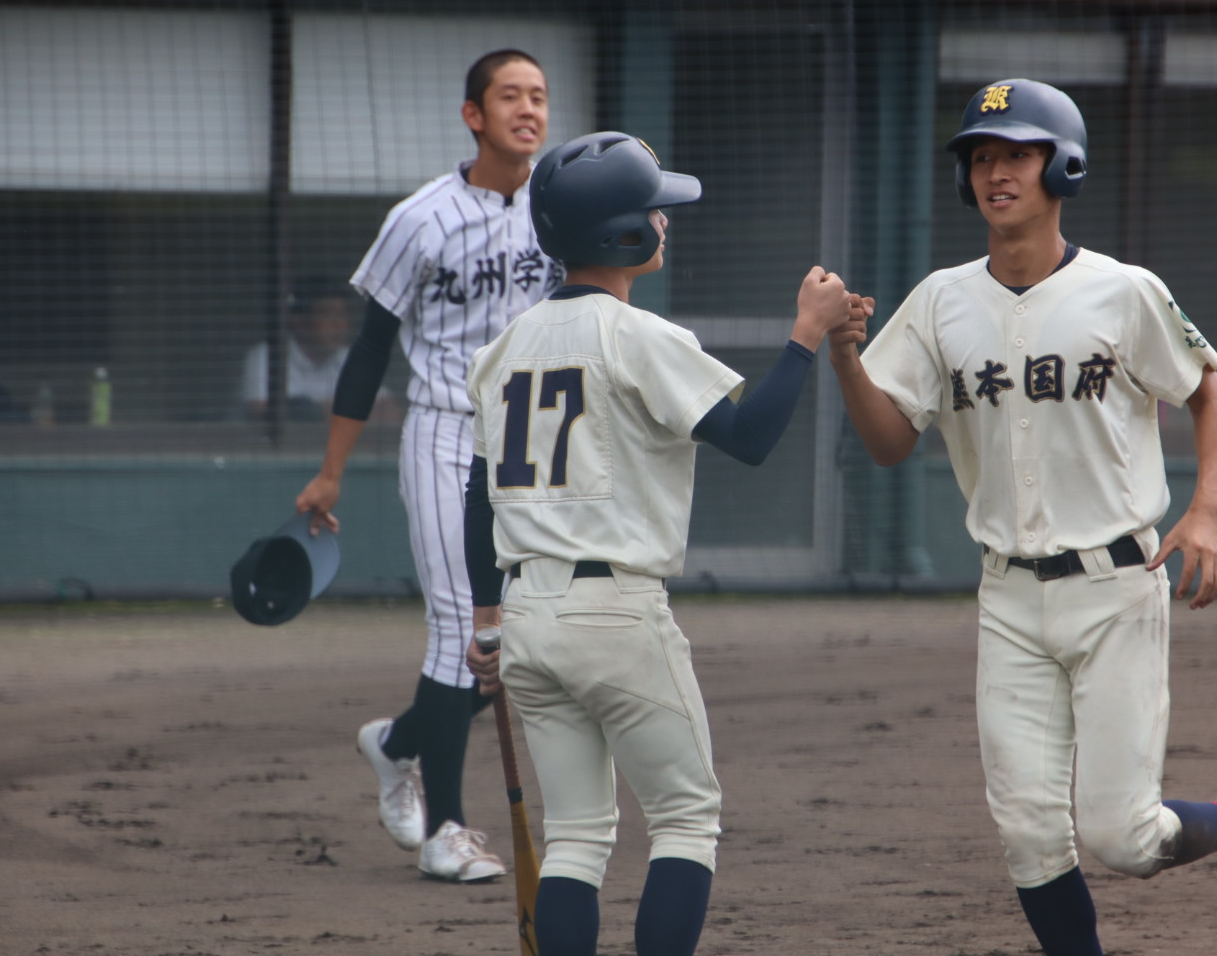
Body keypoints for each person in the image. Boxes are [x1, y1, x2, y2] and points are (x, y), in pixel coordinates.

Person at [826, 79, 1217, 954]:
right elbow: (891, 440)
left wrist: (1206, 511)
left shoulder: (1122, 291)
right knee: (1029, 837)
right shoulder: (939, 301)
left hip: (1117, 585)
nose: (994, 171)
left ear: (1063, 165)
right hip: (1007, 598)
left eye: (1016, 152)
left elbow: (1211, 398)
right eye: (979, 156)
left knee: (1123, 838)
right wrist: (849, 361)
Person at [461, 131, 850, 956]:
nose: (666, 224)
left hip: (526, 613)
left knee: (574, 838)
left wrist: (485, 619)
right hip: (615, 612)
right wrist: (805, 336)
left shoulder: (500, 350)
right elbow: (748, 438)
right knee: (684, 819)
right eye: (656, 212)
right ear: (625, 234)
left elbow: (476, 494)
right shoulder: (640, 337)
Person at [295, 48, 563, 883]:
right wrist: (332, 470)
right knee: (465, 628)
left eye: (539, 97)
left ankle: (398, 742)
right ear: (472, 116)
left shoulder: (559, 206)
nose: (529, 110)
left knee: (507, 645)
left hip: (531, 438)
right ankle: (447, 830)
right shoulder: (422, 218)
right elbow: (371, 349)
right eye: (510, 97)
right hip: (447, 430)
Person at [240, 275, 394, 422]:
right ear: (299, 322)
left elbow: (389, 411)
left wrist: (313, 412)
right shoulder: (269, 356)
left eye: (342, 315)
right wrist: (354, 411)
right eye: (328, 315)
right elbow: (263, 413)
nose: (339, 325)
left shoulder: (349, 357)